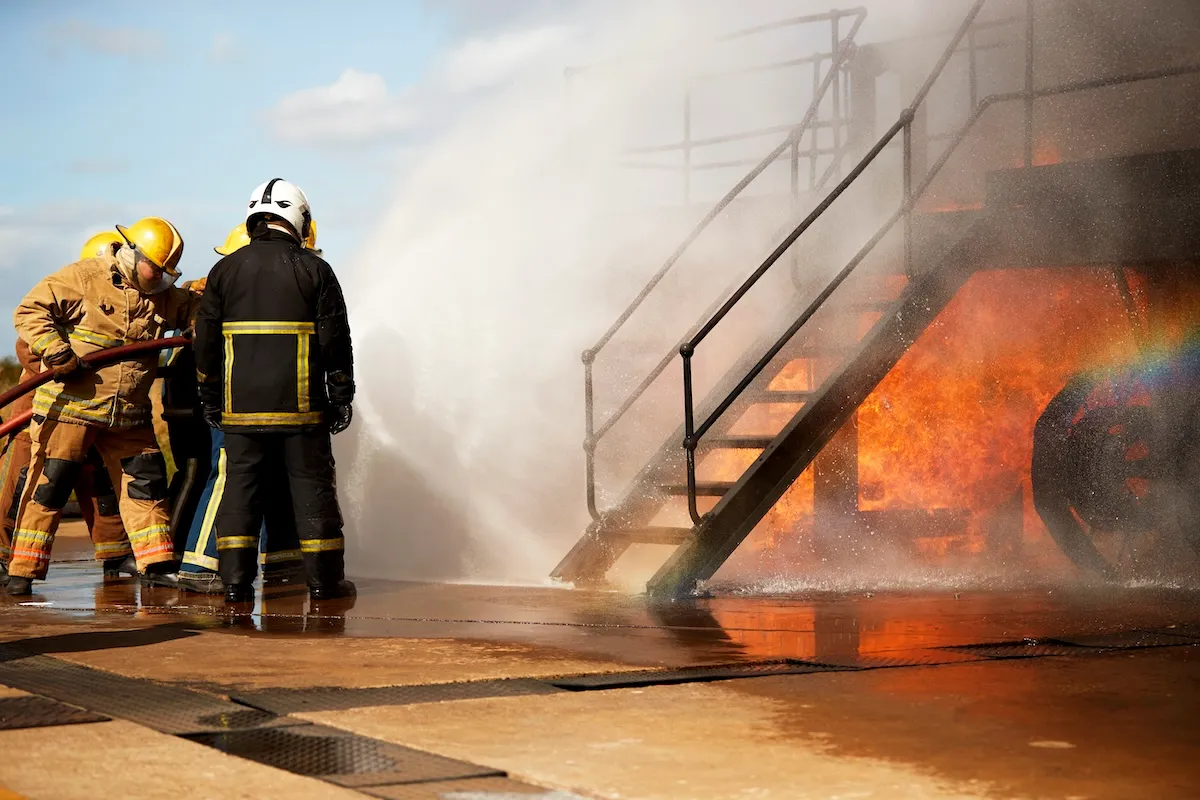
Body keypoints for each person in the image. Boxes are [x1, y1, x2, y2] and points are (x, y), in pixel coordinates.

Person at [6, 217, 203, 595]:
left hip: (128, 414)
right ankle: (23, 571)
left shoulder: (161, 293)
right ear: (134, 254)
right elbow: (30, 311)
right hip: (71, 409)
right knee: (50, 487)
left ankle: (157, 563)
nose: (161, 280)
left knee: (147, 485)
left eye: (168, 274)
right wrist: (54, 350)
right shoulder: (83, 277)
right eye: (156, 270)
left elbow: (193, 307)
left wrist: (198, 321)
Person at [194, 179, 354, 603]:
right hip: (302, 411)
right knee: (313, 490)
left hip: (240, 412)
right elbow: (335, 341)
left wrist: (210, 397)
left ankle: (235, 585)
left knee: (240, 493)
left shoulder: (224, 271)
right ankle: (324, 583)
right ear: (299, 218)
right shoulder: (315, 270)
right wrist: (341, 395)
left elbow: (205, 343)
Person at [172, 221, 325, 595]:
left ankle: (282, 561)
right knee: (229, 474)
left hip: (262, 400)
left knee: (275, 472)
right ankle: (201, 565)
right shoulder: (229, 291)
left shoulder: (255, 287)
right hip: (234, 402)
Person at [0, 232, 136, 583]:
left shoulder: (118, 304)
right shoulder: (69, 295)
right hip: (41, 409)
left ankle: (116, 554)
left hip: (94, 406)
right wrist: (63, 360)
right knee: (28, 484)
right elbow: (27, 347)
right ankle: (5, 557)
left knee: (101, 484)